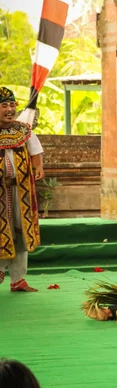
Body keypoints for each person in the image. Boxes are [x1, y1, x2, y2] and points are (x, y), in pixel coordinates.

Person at [0, 87, 44, 292]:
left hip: (21, 193)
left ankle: (18, 279)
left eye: (11, 105)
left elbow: (35, 151)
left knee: (20, 231)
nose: (9, 109)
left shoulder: (23, 130)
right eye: (4, 105)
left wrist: (38, 167)